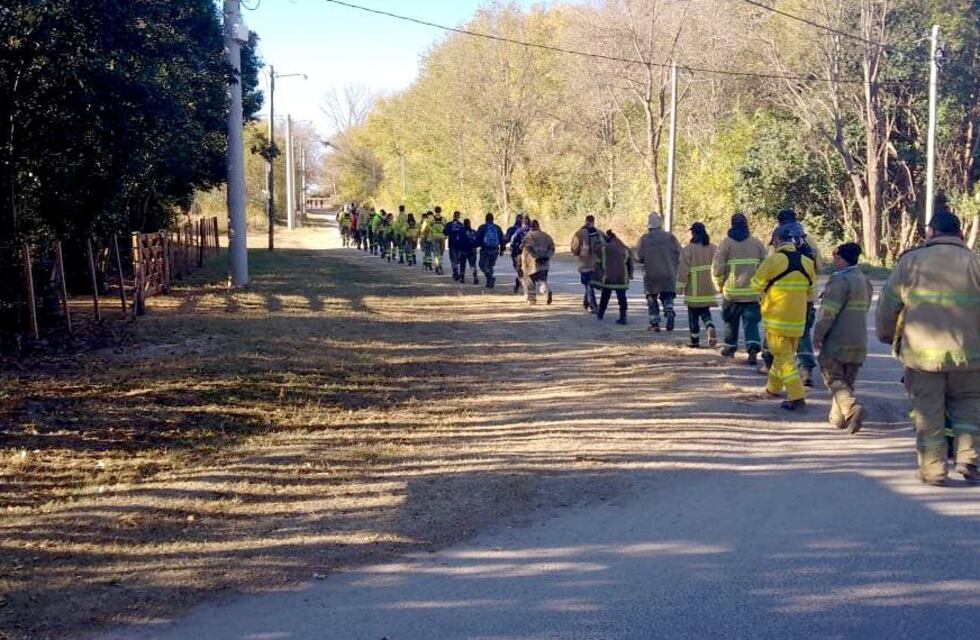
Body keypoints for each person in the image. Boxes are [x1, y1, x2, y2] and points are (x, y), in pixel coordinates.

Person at [876, 208, 980, 486]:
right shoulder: (975, 263)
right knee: (969, 407)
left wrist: (886, 334)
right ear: (960, 233)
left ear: (931, 232)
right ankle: (968, 458)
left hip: (922, 357)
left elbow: (889, 303)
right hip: (970, 356)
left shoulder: (911, 262)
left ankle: (934, 470)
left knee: (929, 411)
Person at [750, 221, 818, 411]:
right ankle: (773, 388)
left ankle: (797, 396)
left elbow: (755, 285)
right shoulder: (807, 261)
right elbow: (811, 293)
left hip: (776, 320)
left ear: (777, 241)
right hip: (798, 321)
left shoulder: (773, 260)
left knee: (784, 359)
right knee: (783, 356)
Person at [813, 242, 873, 435]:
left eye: (837, 258)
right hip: (859, 340)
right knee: (846, 381)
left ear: (845, 259)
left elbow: (828, 312)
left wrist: (819, 334)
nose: (835, 262)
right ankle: (840, 418)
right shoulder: (864, 280)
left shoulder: (840, 280)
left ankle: (853, 409)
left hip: (838, 339)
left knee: (832, 376)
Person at [712, 213, 767, 363]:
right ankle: (753, 348)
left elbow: (717, 267)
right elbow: (765, 266)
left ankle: (730, 348)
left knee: (730, 321)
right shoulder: (757, 244)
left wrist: (719, 285)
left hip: (732, 293)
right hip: (753, 293)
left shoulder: (726, 243)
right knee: (752, 322)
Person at [634, 212, 682, 332]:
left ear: (649, 225)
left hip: (652, 274)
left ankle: (655, 323)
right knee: (668, 295)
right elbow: (681, 253)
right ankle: (669, 309)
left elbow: (638, 256)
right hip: (669, 273)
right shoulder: (670, 237)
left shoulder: (644, 239)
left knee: (652, 297)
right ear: (660, 224)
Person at [676, 222, 718, 348]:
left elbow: (683, 270)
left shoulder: (688, 249)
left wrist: (680, 287)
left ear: (693, 233)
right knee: (705, 312)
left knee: (693, 315)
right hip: (708, 288)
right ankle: (710, 326)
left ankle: (694, 341)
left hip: (693, 289)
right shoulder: (713, 248)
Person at [592, 229, 633, 324]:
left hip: (608, 277)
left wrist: (598, 241)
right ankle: (623, 317)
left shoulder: (604, 248)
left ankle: (600, 314)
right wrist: (630, 275)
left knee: (605, 296)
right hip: (622, 278)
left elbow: (595, 250)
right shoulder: (625, 248)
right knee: (622, 298)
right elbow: (630, 264)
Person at [570, 215, 603, 313]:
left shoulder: (580, 232)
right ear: (594, 221)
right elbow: (606, 243)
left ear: (585, 221)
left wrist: (576, 253)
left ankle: (593, 305)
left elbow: (574, 248)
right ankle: (586, 302)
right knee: (590, 284)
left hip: (585, 263)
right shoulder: (599, 232)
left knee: (588, 284)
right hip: (597, 263)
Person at [519, 219, 555, 305]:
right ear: (538, 226)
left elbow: (526, 248)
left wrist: (535, 257)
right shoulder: (547, 236)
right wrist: (547, 256)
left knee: (530, 281)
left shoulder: (529, 236)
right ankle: (546, 291)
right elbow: (552, 248)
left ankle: (532, 299)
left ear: (530, 227)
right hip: (545, 263)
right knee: (542, 280)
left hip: (533, 264)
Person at [475, 213, 505, 289]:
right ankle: (489, 282)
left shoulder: (482, 227)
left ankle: (489, 276)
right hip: (495, 250)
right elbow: (502, 239)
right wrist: (502, 250)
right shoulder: (497, 228)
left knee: (482, 265)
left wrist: (474, 246)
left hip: (485, 249)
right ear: (493, 219)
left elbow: (477, 238)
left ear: (486, 219)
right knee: (490, 266)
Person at [506, 213, 529, 294]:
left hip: (517, 253)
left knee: (520, 270)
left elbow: (510, 240)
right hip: (530, 254)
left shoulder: (514, 229)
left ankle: (521, 283)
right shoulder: (532, 229)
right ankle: (521, 283)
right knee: (526, 270)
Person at [444, 211, 466, 281]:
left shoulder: (449, 224)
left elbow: (444, 232)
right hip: (460, 244)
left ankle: (455, 272)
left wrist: (450, 234)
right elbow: (464, 234)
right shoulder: (461, 225)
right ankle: (458, 272)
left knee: (453, 259)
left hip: (452, 244)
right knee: (458, 259)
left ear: (453, 216)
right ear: (459, 216)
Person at [458, 218, 479, 285]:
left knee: (462, 265)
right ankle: (475, 277)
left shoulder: (461, 231)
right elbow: (477, 241)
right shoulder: (473, 232)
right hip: (472, 251)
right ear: (469, 223)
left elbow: (459, 242)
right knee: (473, 265)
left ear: (464, 224)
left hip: (463, 251)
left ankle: (462, 278)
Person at [429, 208, 447, 275]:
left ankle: (437, 265)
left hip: (434, 237)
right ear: (440, 211)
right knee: (441, 253)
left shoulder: (431, 219)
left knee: (436, 253)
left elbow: (428, 227)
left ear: (435, 211)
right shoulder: (444, 219)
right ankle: (440, 265)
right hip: (442, 237)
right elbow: (446, 228)